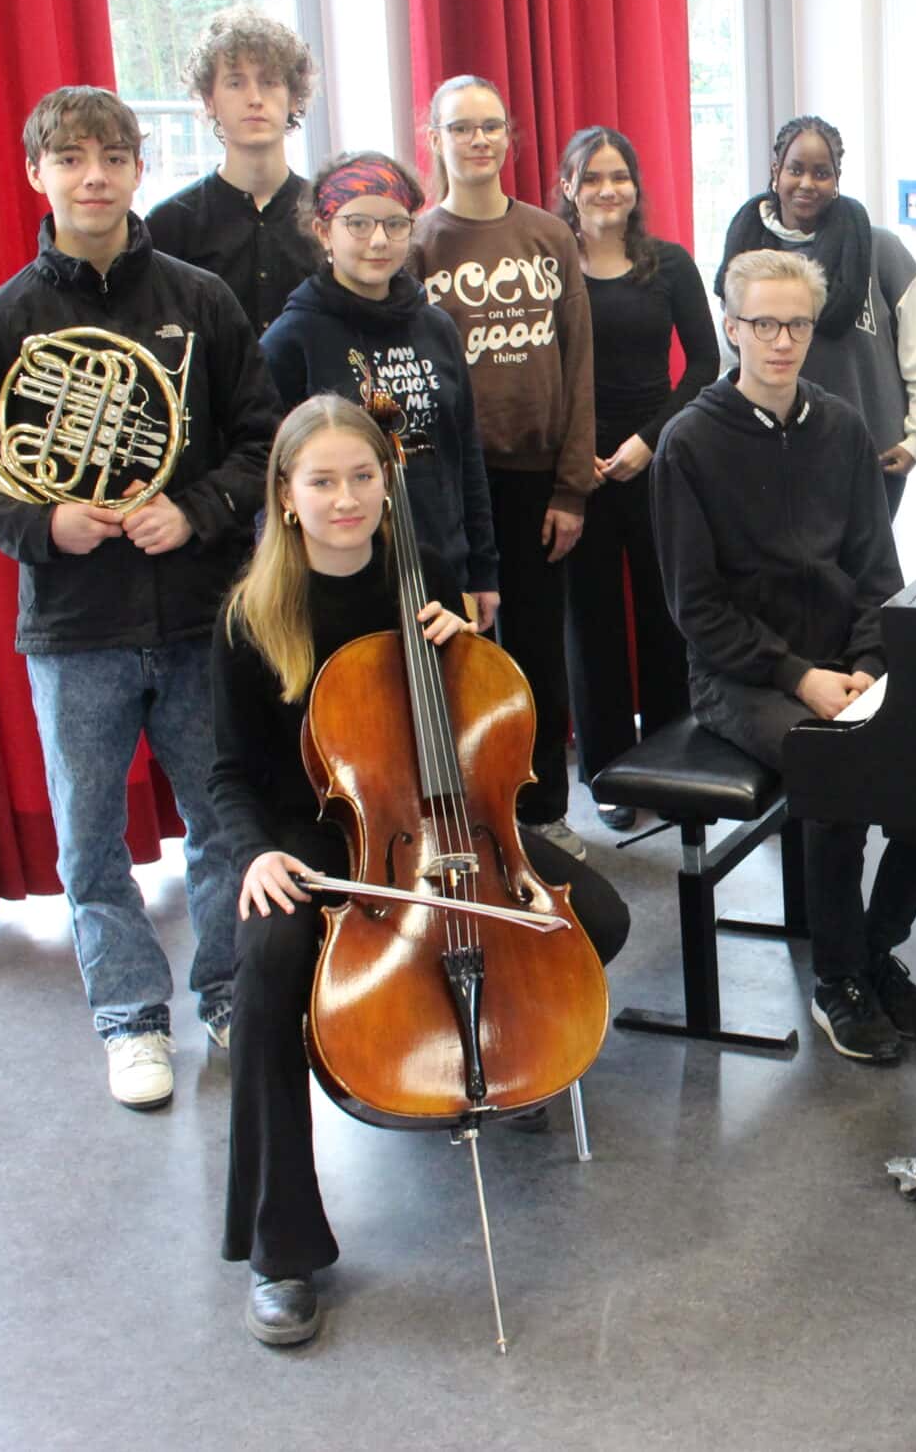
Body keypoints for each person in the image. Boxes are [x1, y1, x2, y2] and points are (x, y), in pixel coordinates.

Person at [212, 395, 631, 1347]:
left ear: (387, 482)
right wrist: (255, 851)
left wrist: (471, 645)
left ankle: (491, 1048)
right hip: (317, 836)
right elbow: (227, 772)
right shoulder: (251, 616)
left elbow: (487, 715)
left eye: (364, 476)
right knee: (268, 968)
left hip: (447, 818)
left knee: (594, 920)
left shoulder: (426, 575)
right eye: (323, 480)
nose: (347, 498)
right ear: (287, 495)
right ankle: (282, 1248)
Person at [0, 85, 282, 1110]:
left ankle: (229, 991)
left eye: (114, 157)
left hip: (199, 612)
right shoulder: (2, 320)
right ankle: (131, 1019)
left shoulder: (200, 300)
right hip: (75, 626)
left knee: (221, 821)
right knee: (89, 841)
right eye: (72, 158)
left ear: (138, 168)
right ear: (35, 173)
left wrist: (198, 508)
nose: (94, 177)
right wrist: (44, 526)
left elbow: (264, 438)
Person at [652, 249, 916, 1065]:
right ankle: (837, 979)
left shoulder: (843, 428)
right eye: (764, 324)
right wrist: (800, 676)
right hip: (739, 674)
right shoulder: (688, 443)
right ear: (732, 327)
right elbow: (697, 609)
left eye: (798, 325)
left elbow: (877, 574)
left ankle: (874, 950)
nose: (782, 341)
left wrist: (868, 665)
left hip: (843, 661)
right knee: (835, 766)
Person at [409, 74, 597, 865]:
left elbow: (579, 364)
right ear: (435, 139)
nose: (478, 140)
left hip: (536, 482)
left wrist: (572, 487)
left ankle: (545, 809)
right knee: (459, 656)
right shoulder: (416, 242)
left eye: (490, 126)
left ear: (509, 137)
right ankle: (470, 814)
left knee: (540, 656)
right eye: (461, 127)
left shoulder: (549, 235)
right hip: (450, 486)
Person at [550, 125, 720, 831]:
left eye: (619, 176)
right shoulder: (549, 267)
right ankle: (609, 773)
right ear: (568, 187)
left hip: (655, 465)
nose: (607, 190)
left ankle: (673, 760)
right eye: (592, 178)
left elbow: (706, 364)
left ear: (636, 186)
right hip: (576, 471)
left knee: (664, 615)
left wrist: (648, 442)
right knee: (590, 628)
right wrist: (576, 454)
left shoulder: (669, 264)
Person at [260, 150, 501, 645]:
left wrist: (482, 569)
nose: (378, 240)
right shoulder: (291, 339)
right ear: (324, 231)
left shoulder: (437, 328)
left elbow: (465, 455)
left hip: (442, 573)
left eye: (395, 224)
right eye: (358, 223)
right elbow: (268, 477)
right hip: (340, 582)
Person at [715, 114, 916, 514]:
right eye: (796, 169)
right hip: (768, 452)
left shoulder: (880, 249)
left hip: (872, 455)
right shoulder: (746, 252)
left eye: (821, 173)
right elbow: (728, 353)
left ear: (837, 178)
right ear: (776, 171)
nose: (807, 183)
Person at [145, 7, 322, 334]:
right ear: (209, 101)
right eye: (236, 83)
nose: (254, 98)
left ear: (294, 99)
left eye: (269, 82)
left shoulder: (329, 213)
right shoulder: (169, 225)